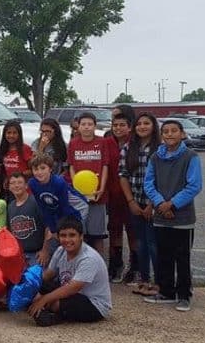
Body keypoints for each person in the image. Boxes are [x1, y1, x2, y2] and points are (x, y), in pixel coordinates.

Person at [143, 120, 202, 312]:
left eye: (174, 131)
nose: (169, 134)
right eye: (165, 131)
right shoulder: (155, 157)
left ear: (182, 134)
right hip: (161, 216)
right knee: (163, 256)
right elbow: (149, 183)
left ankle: (184, 294)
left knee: (182, 257)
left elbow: (194, 185)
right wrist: (160, 203)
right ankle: (167, 291)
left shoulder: (190, 156)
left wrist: (172, 204)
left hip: (182, 218)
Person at [27, 217, 112, 327]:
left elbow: (73, 287)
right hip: (71, 292)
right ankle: (45, 309)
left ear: (81, 236)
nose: (67, 240)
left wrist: (44, 299)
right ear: (58, 237)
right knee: (36, 286)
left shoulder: (88, 258)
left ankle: (51, 313)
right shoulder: (60, 251)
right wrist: (27, 283)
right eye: (63, 235)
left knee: (52, 302)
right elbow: (48, 275)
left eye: (72, 235)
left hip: (93, 303)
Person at [119, 113, 161, 296]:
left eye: (147, 123)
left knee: (155, 244)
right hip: (135, 202)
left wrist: (153, 204)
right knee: (140, 244)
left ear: (154, 126)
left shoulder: (161, 148)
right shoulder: (128, 148)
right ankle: (144, 280)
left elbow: (163, 178)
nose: (142, 127)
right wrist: (130, 202)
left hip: (156, 204)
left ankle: (160, 282)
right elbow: (123, 175)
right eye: (139, 124)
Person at [67, 112, 109, 255]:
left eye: (90, 124)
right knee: (80, 233)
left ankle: (101, 268)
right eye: (83, 124)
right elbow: (71, 166)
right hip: (79, 196)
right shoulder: (73, 143)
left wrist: (102, 188)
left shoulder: (102, 142)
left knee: (98, 235)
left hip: (97, 195)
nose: (86, 127)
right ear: (78, 126)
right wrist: (75, 189)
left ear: (95, 126)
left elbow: (105, 166)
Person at [27, 154, 85, 256]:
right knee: (58, 235)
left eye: (43, 168)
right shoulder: (33, 183)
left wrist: (60, 229)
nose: (39, 172)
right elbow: (43, 207)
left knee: (73, 237)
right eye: (36, 169)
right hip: (57, 207)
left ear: (50, 169)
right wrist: (52, 228)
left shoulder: (59, 182)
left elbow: (65, 208)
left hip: (77, 207)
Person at [105, 112, 138, 284]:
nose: (118, 128)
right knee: (114, 230)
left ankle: (135, 267)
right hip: (112, 194)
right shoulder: (107, 142)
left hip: (132, 194)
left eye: (122, 125)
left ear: (129, 126)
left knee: (133, 231)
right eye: (115, 125)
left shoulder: (135, 143)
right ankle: (116, 264)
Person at [7, 172, 50, 266]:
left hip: (37, 254)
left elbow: (49, 227)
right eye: (13, 183)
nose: (16, 185)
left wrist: (45, 250)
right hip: (20, 255)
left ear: (26, 186)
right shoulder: (10, 207)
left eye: (19, 182)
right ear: (9, 187)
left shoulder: (36, 202)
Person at [0, 120, 34, 185]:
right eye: (9, 133)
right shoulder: (3, 149)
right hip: (10, 187)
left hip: (23, 186)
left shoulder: (25, 148)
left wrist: (20, 174)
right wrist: (6, 179)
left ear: (19, 134)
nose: (11, 135)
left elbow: (33, 170)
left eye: (14, 133)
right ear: (4, 134)